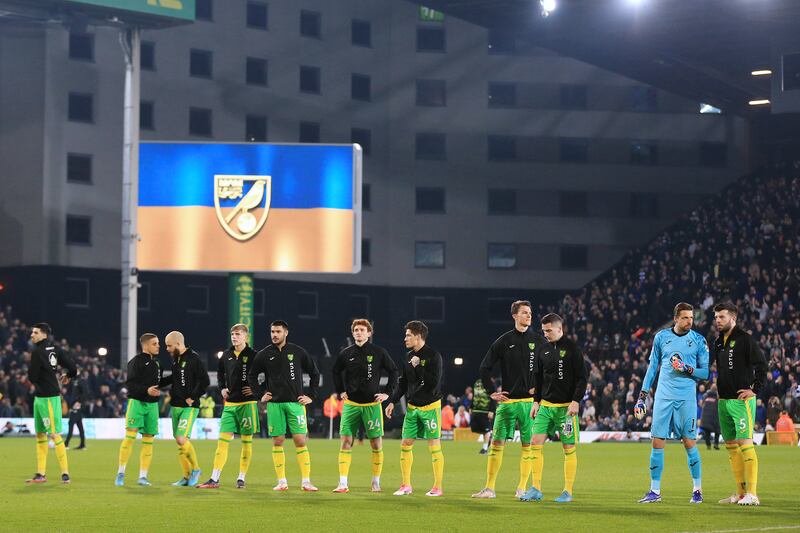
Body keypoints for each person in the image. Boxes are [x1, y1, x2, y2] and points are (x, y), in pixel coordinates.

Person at [634, 302, 709, 504]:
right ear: (676, 318)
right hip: (663, 397)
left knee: (689, 442)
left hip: (686, 398)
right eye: (685, 318)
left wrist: (686, 368)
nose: (689, 321)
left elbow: (705, 373)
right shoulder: (661, 337)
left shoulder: (699, 341)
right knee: (657, 441)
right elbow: (652, 369)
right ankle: (655, 491)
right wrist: (641, 398)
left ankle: (697, 490)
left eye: (691, 318)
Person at [473, 300, 542, 499]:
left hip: (530, 405)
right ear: (514, 316)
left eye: (530, 313)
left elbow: (551, 367)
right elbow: (484, 367)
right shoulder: (504, 341)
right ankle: (489, 489)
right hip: (507, 403)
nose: (529, 316)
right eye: (524, 313)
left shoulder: (538, 341)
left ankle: (521, 488)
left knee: (528, 446)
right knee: (496, 444)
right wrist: (492, 391)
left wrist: (542, 388)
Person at [520, 313, 587, 504]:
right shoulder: (543, 350)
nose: (546, 334)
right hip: (546, 407)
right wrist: (535, 401)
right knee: (535, 443)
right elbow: (538, 378)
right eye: (544, 331)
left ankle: (567, 490)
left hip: (566, 409)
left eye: (549, 330)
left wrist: (576, 400)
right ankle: (536, 488)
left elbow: (582, 378)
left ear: (560, 328)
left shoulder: (573, 349)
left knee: (568, 448)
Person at [249, 320, 321, 492]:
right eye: (272, 331)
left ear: (285, 333)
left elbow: (314, 373)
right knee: (278, 441)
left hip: (296, 404)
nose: (274, 335)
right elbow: (252, 376)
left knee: (300, 440)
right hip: (275, 405)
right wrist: (260, 395)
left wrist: (311, 396)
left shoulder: (297, 352)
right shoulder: (264, 354)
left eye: (278, 332)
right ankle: (282, 481)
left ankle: (306, 481)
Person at [331, 318, 398, 493]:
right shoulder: (346, 353)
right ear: (352, 333)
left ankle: (376, 481)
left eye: (362, 330)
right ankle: (343, 483)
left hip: (372, 405)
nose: (358, 332)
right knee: (346, 442)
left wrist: (387, 393)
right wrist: (340, 391)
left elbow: (394, 371)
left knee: (376, 444)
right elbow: (335, 371)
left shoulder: (379, 352)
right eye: (355, 330)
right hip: (351, 405)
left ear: (369, 333)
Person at [711, 302, 767, 506]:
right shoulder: (718, 342)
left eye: (722, 317)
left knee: (745, 445)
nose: (718, 320)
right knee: (732, 448)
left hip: (741, 402)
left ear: (733, 318)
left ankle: (752, 494)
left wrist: (754, 389)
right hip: (723, 402)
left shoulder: (745, 339)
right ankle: (740, 493)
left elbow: (762, 365)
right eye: (716, 317)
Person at [385, 320, 444, 497]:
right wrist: (392, 401)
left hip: (430, 407)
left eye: (408, 335)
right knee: (405, 444)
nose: (405, 338)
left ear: (418, 337)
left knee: (434, 445)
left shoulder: (434, 356)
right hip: (412, 408)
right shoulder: (408, 356)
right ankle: (406, 485)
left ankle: (437, 487)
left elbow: (433, 384)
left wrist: (419, 367)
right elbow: (403, 383)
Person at [197, 324, 258, 489]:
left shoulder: (254, 355)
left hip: (248, 403)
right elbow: (220, 374)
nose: (234, 337)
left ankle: (241, 478)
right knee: (222, 442)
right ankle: (214, 478)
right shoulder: (226, 355)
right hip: (230, 405)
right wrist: (222, 388)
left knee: (246, 442)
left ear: (246, 337)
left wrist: (257, 389)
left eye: (237, 334)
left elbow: (266, 375)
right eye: (232, 334)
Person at [26, 323, 77, 484]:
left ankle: (65, 473)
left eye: (35, 332)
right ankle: (41, 474)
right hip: (45, 397)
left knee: (53, 435)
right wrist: (68, 375)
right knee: (42, 435)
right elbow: (73, 367)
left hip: (45, 398)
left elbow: (32, 377)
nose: (32, 335)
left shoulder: (37, 352)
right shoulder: (56, 350)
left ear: (44, 335)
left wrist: (36, 375)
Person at [160, 331, 210, 487]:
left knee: (182, 438)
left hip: (189, 406)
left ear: (178, 344)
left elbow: (205, 381)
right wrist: (157, 384)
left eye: (169, 345)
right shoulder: (176, 358)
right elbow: (174, 378)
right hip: (176, 405)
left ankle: (196, 470)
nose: (167, 349)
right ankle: (185, 476)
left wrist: (193, 396)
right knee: (180, 442)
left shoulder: (194, 358)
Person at [115, 333, 162, 487]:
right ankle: (120, 473)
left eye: (158, 343)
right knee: (130, 438)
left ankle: (143, 476)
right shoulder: (135, 362)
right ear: (146, 345)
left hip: (152, 406)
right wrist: (147, 390)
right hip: (137, 404)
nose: (158, 346)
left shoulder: (156, 364)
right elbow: (130, 386)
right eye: (155, 343)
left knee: (148, 441)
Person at [64, 370, 89, 450]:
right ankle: (82, 444)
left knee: (71, 423)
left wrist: (79, 402)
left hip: (77, 406)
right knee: (79, 425)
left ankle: (66, 444)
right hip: (74, 406)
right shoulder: (73, 381)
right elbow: (71, 393)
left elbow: (85, 393)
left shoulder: (81, 381)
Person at [469, 378, 494, 455]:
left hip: (486, 411)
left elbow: (494, 397)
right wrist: (471, 406)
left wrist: (492, 410)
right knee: (476, 429)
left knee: (485, 430)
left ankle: (485, 448)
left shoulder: (491, 382)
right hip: (476, 410)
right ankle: (489, 435)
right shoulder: (477, 382)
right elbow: (474, 394)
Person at [699, 385, 720, 450]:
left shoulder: (705, 395)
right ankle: (716, 444)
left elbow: (701, 404)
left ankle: (708, 445)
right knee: (717, 431)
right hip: (715, 417)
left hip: (705, 417)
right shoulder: (718, 396)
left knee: (707, 432)